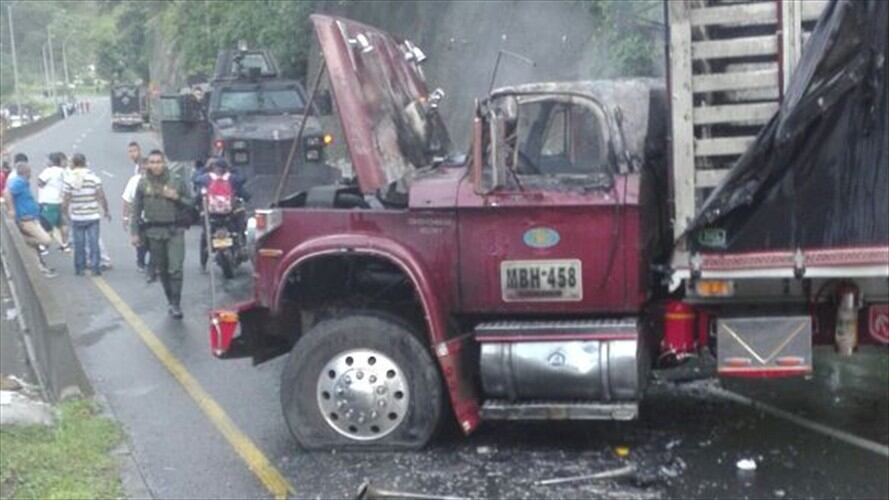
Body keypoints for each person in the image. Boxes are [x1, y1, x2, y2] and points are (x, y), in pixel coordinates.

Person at [130, 150, 193, 318]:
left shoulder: (177, 180)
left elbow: (191, 203)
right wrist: (134, 233)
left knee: (176, 269)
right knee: (163, 270)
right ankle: (170, 300)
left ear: (164, 163)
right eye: (152, 162)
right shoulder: (143, 184)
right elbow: (136, 210)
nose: (156, 165)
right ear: (148, 164)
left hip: (175, 231)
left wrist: (176, 197)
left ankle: (176, 304)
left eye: (159, 162)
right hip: (154, 232)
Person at [62, 153, 111, 276]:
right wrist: (106, 211)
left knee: (79, 244)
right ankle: (95, 268)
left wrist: (65, 213)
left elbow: (66, 199)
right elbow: (101, 196)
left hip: (77, 216)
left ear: (74, 163)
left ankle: (80, 268)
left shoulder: (69, 180)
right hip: (92, 215)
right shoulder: (94, 178)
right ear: (84, 162)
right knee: (94, 243)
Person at [4, 162, 56, 277]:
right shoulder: (19, 182)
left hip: (33, 217)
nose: (31, 173)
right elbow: (7, 193)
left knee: (33, 249)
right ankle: (23, 241)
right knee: (46, 240)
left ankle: (39, 270)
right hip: (26, 219)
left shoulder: (23, 183)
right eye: (29, 171)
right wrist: (12, 210)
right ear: (26, 172)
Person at [122, 158, 152, 279]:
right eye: (143, 168)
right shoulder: (134, 181)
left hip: (154, 218)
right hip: (140, 217)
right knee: (141, 243)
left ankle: (153, 265)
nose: (145, 170)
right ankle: (141, 262)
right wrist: (125, 217)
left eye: (147, 167)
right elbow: (127, 199)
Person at [37, 152, 71, 252]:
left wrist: (43, 185)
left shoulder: (49, 171)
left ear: (52, 161)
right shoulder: (64, 172)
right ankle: (65, 244)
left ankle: (43, 246)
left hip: (48, 201)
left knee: (47, 224)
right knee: (62, 224)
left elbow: (40, 182)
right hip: (60, 200)